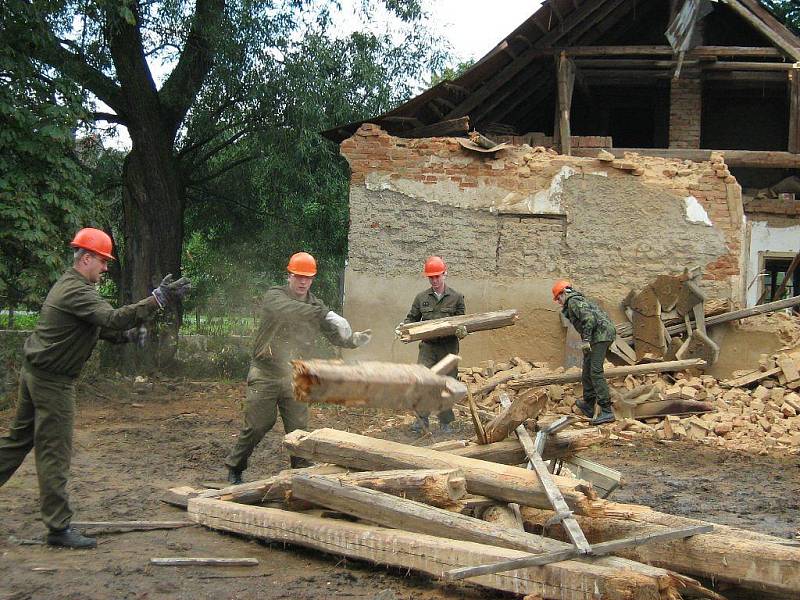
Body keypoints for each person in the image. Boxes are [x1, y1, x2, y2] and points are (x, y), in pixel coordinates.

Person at [0, 228, 191, 549]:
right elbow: (112, 318)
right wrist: (157, 299)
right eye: (102, 261)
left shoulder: (71, 286)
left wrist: (128, 337)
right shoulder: (76, 291)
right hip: (52, 383)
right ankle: (58, 529)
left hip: (37, 373)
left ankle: (57, 525)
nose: (105, 268)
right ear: (85, 258)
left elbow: (95, 326)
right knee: (54, 452)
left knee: (17, 440)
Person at [225, 252, 371, 484]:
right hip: (266, 373)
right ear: (289, 275)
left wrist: (352, 340)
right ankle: (235, 467)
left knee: (299, 431)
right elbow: (290, 310)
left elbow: (333, 333)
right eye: (298, 276)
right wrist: (327, 313)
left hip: (296, 373)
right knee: (257, 425)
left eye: (308, 277)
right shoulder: (275, 296)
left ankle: (300, 475)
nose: (303, 282)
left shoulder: (315, 304)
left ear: (313, 279)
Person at [400, 256, 466, 434]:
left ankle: (445, 422)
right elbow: (411, 319)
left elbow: (463, 322)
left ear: (445, 274)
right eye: (431, 277)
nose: (435, 280)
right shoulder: (421, 298)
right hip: (428, 348)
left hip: (448, 348)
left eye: (438, 276)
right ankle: (422, 420)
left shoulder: (457, 298)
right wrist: (404, 328)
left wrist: (463, 331)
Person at [553, 279, 617, 426]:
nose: (558, 301)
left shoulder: (573, 302)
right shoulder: (576, 301)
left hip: (601, 336)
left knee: (595, 371)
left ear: (564, 293)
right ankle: (589, 404)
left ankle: (607, 411)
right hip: (598, 335)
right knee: (587, 368)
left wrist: (586, 339)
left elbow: (589, 319)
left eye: (558, 298)